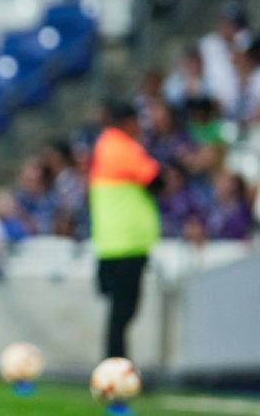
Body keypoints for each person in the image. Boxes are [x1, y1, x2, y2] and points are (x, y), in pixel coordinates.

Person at [89, 101, 162, 359]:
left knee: (118, 313)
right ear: (129, 122)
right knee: (123, 313)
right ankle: (115, 364)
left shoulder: (104, 146)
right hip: (127, 243)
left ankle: (115, 363)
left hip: (110, 243)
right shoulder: (122, 147)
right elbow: (156, 181)